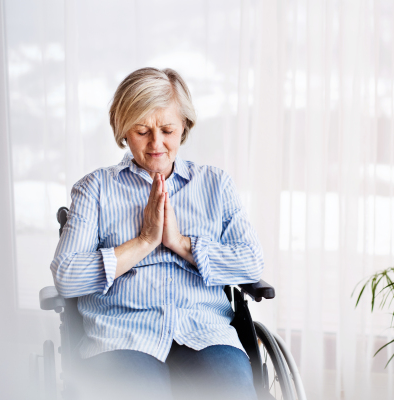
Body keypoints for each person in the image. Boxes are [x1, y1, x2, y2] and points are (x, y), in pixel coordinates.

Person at [50, 67, 263, 400]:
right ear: (123, 130)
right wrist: (144, 242)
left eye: (167, 130)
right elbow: (67, 275)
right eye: (142, 131)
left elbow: (251, 263)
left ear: (185, 127)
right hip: (123, 333)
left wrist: (180, 243)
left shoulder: (216, 186)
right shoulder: (95, 189)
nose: (156, 144)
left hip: (204, 331)